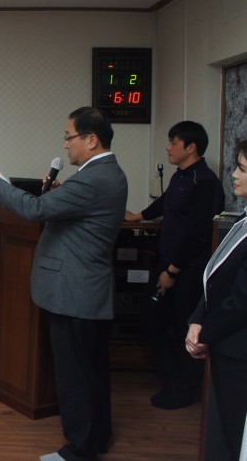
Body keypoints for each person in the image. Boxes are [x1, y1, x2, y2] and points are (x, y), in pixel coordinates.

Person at [0, 107, 127, 461]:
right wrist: (57, 192)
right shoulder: (106, 173)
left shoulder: (93, 178)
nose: (65, 144)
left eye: (69, 137)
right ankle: (96, 438)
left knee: (75, 376)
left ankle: (80, 451)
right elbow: (68, 211)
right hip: (85, 290)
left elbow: (36, 211)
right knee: (91, 371)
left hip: (75, 291)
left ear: (91, 139)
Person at [125, 121, 225, 409]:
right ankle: (172, 379)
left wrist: (173, 271)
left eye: (173, 142)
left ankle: (185, 390)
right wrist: (137, 216)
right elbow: (165, 204)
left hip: (188, 269)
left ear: (190, 147)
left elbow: (196, 234)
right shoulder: (180, 176)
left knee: (184, 328)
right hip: (168, 263)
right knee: (152, 322)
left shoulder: (205, 182)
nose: (168, 147)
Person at [186, 139, 247, 461]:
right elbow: (215, 277)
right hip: (224, 344)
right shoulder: (242, 219)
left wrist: (204, 334)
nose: (234, 174)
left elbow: (240, 300)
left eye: (242, 169)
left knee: (234, 435)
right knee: (222, 430)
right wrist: (197, 319)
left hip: (239, 349)